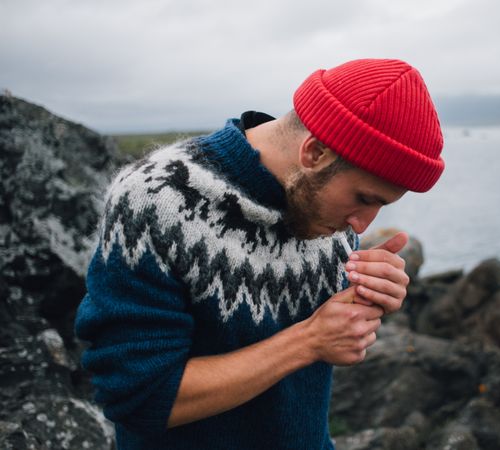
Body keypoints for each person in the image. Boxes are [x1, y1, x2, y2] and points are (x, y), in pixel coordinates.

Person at [75, 58, 445, 449]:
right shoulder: (157, 199)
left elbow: (307, 359)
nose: (361, 226)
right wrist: (308, 341)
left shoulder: (321, 208)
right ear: (315, 153)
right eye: (364, 199)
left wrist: (365, 299)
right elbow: (137, 397)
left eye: (381, 206)